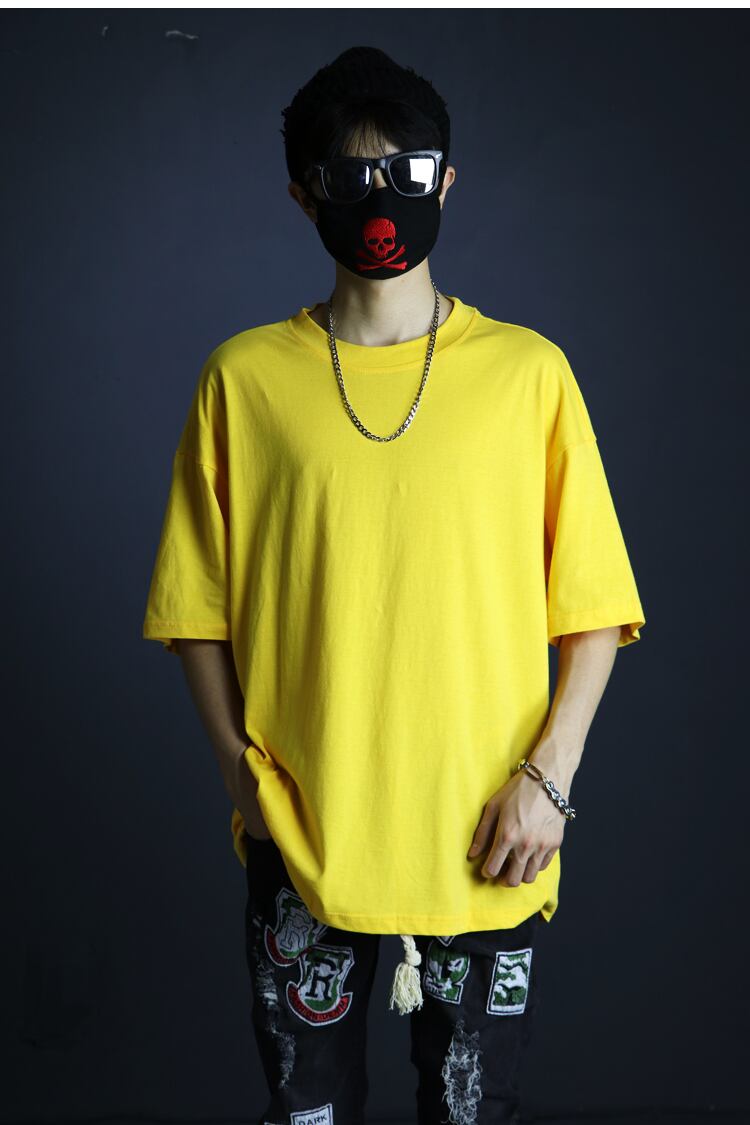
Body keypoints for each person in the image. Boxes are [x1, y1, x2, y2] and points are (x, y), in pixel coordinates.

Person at [142, 45, 646, 1125]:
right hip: (303, 831)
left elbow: (595, 605)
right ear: (303, 195)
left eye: (408, 173)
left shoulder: (529, 375)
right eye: (350, 177)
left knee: (471, 1110)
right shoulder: (244, 380)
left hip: (489, 831)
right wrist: (241, 777)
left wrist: (550, 779)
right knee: (306, 1113)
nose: (382, 200)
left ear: (446, 182)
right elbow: (196, 609)